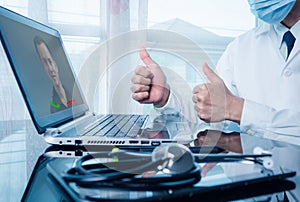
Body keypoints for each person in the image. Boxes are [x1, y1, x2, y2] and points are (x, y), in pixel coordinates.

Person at [131, 0, 300, 146]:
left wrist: (238, 109)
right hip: (249, 179)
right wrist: (166, 98)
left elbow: (229, 108)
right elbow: (211, 114)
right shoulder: (240, 47)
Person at [34, 36, 70, 112]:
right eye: (45, 63)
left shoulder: (71, 92)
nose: (50, 69)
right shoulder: (51, 106)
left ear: (56, 64)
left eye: (50, 61)